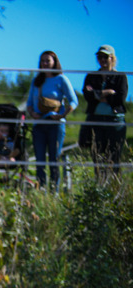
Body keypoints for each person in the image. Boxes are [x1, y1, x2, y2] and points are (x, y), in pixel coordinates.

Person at [26, 50, 78, 190]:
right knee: (40, 159)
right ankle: (41, 187)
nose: (45, 63)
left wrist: (62, 115)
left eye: (48, 60)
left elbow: (74, 101)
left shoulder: (61, 79)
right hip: (39, 125)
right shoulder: (36, 81)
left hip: (55, 124)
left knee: (54, 159)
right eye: (42, 61)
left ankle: (54, 189)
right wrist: (32, 113)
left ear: (54, 62)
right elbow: (29, 103)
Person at [79, 45, 128, 178]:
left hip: (115, 121)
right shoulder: (91, 76)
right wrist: (107, 92)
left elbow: (120, 98)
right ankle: (99, 186)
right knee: (98, 156)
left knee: (114, 156)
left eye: (105, 57)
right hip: (96, 120)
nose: (102, 60)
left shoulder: (120, 77)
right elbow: (88, 96)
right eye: (99, 57)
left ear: (112, 58)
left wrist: (97, 94)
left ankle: (113, 186)